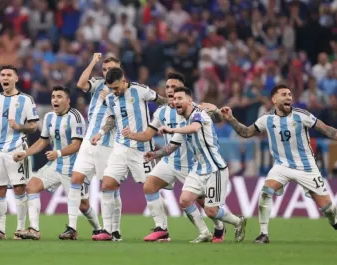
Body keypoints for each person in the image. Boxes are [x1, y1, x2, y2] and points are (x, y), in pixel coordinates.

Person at [220, 84, 337, 244]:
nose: (289, 97)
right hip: (281, 166)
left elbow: (327, 130)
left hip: (306, 168)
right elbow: (246, 133)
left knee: (328, 209)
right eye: (284, 94)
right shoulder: (267, 119)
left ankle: (334, 221)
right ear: (274, 99)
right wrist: (232, 120)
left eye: (290, 94)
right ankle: (263, 234)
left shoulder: (301, 115)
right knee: (265, 192)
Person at [122, 73, 226, 243]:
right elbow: (148, 134)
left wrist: (215, 110)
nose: (170, 90)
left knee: (204, 202)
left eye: (174, 87)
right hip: (169, 161)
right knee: (149, 187)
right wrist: (131, 135)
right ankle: (162, 229)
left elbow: (218, 119)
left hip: (193, 165)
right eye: (168, 87)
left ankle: (220, 227)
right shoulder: (162, 112)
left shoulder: (195, 109)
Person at [144, 86, 247, 243]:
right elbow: (172, 146)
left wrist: (171, 129)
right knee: (185, 200)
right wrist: (155, 155)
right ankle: (204, 233)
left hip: (215, 169)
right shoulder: (183, 122)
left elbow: (195, 128)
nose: (176, 101)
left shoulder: (200, 114)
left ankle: (238, 221)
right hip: (198, 169)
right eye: (175, 99)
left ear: (190, 100)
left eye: (180, 99)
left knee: (211, 211)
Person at [91, 67, 169, 241]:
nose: (115, 91)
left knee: (150, 187)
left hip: (142, 149)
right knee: (107, 185)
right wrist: (101, 133)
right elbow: (111, 119)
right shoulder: (110, 98)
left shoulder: (140, 90)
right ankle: (108, 230)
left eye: (117, 87)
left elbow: (162, 101)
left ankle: (162, 229)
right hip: (120, 148)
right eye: (111, 88)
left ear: (123, 80)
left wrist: (174, 113)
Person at [13, 86, 97, 240]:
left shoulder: (75, 117)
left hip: (74, 168)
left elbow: (76, 144)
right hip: (55, 165)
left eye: (59, 96)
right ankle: (34, 229)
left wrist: (57, 153)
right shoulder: (49, 117)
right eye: (53, 97)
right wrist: (25, 153)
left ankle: (98, 229)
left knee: (83, 205)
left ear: (67, 100)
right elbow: (43, 140)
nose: (55, 100)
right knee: (32, 186)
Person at [63, 54, 121, 240]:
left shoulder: (123, 90)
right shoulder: (97, 84)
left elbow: (118, 116)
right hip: (89, 140)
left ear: (118, 69)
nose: (107, 73)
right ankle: (72, 227)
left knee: (110, 187)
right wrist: (93, 62)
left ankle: (113, 229)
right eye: (104, 70)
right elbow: (81, 84)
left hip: (106, 144)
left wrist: (108, 99)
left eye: (110, 69)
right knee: (75, 179)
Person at [0, 65, 39, 240]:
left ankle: (20, 229)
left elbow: (33, 126)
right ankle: (0, 230)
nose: (5, 78)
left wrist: (19, 126)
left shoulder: (26, 100)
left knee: (19, 188)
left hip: (17, 149)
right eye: (2, 75)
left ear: (16, 78)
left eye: (9, 75)